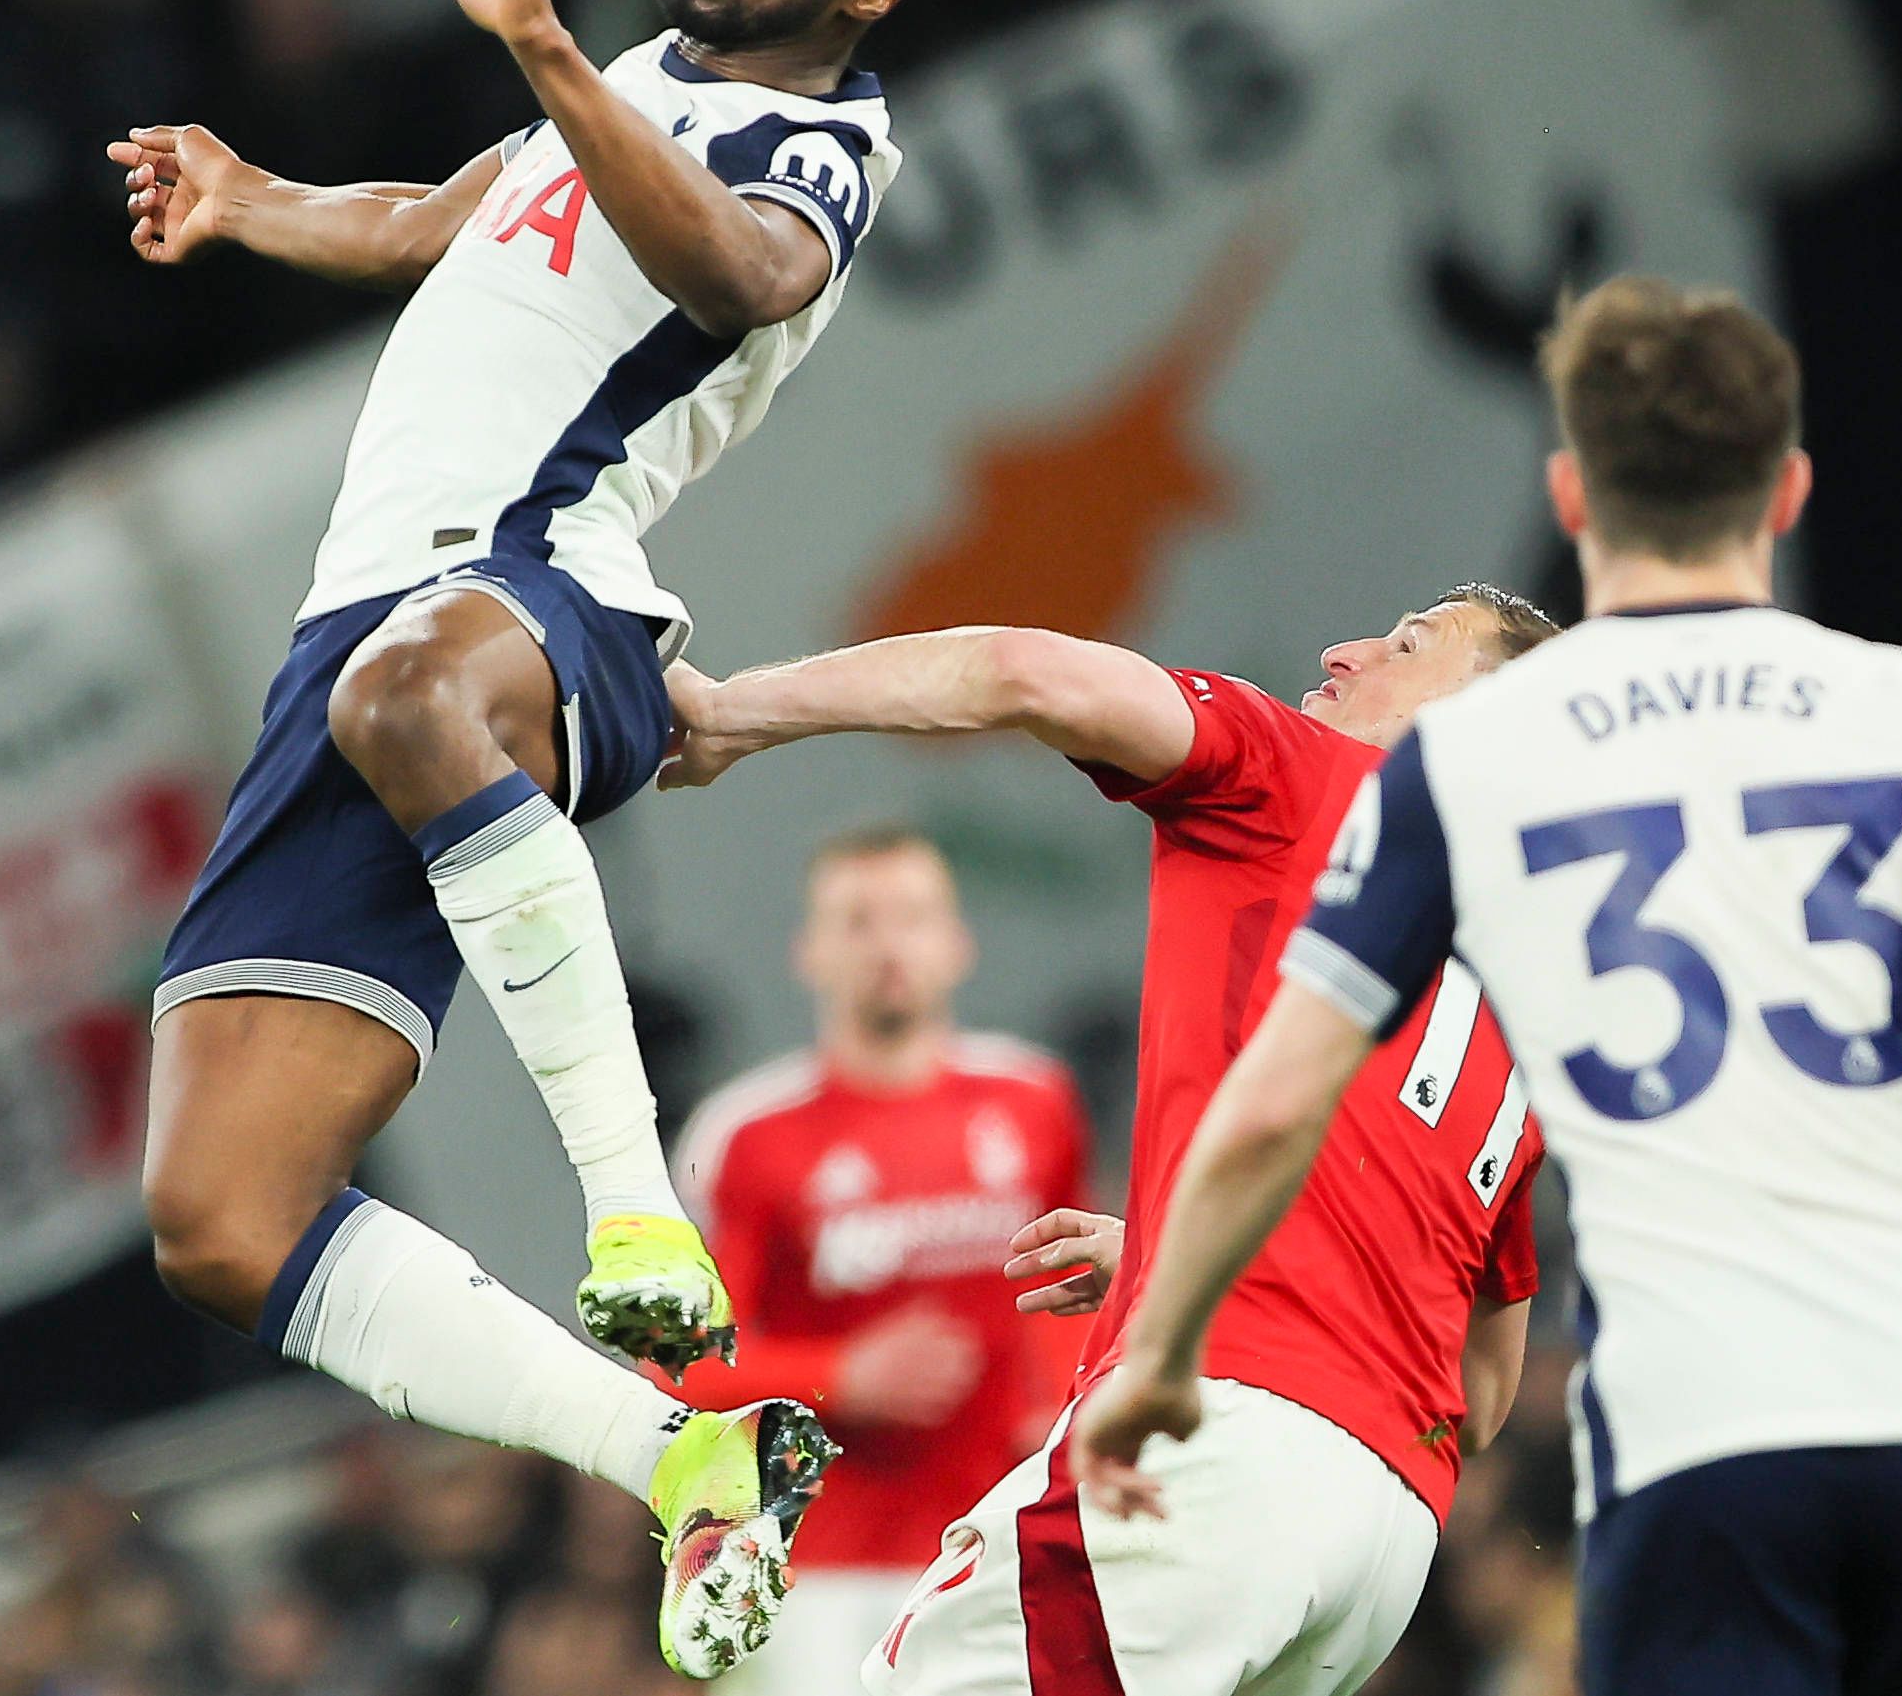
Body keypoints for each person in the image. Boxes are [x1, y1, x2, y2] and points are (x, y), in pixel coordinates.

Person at [112, 0, 967, 1679]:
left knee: (413, 689)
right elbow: (451, 219)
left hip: (546, 596)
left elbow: (734, 275)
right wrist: (253, 199)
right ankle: (682, 1451)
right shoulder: (642, 74)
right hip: (362, 626)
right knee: (216, 1218)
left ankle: (633, 1204)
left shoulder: (822, 139)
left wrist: (545, 45)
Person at [1075, 278, 1902, 1696]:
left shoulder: (1474, 768)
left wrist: (1163, 1342)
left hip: (1702, 1422)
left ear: (1572, 498)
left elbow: (1276, 1096)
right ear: (1790, 489)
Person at [660, 584, 1560, 1696]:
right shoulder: (1523, 995)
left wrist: (739, 709)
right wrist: (1165, 1259)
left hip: (1213, 1452)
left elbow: (1025, 671)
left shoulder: (1300, 778)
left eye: (1409, 644)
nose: (1347, 645)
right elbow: (1482, 1385)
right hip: (1379, 1542)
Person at [666, 827, 1095, 1696]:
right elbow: (683, 1363)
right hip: (808, 1564)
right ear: (809, 952)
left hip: (997, 1549)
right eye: (858, 921)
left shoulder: (1035, 1102)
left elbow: (1071, 1294)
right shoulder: (746, 1138)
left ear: (957, 941)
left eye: (911, 916)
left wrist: (1057, 1405)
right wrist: (841, 1374)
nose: (888, 944)